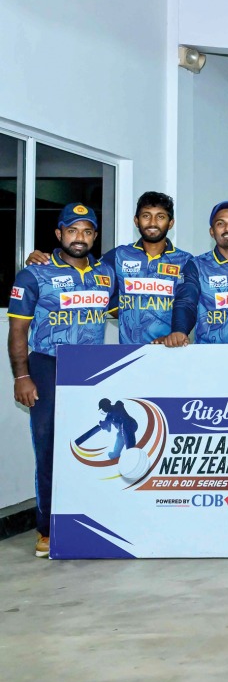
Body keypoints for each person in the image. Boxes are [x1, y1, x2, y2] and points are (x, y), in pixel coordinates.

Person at [7, 203, 115, 557]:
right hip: (47, 363)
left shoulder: (105, 274)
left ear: (95, 236)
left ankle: (89, 517)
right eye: (72, 230)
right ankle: (47, 528)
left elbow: (132, 308)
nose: (79, 238)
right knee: (49, 445)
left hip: (90, 368)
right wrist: (22, 375)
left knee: (93, 445)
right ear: (59, 234)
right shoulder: (35, 274)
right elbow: (18, 330)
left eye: (86, 231)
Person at [21, 192, 193, 345]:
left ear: (170, 223)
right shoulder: (119, 255)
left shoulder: (186, 261)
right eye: (146, 216)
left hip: (171, 348)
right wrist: (44, 259)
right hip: (128, 352)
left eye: (160, 217)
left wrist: (177, 333)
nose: (153, 222)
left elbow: (190, 303)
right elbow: (86, 270)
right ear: (136, 221)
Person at [161, 201, 228, 347]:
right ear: (212, 232)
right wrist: (179, 330)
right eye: (220, 224)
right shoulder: (197, 266)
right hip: (209, 356)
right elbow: (186, 302)